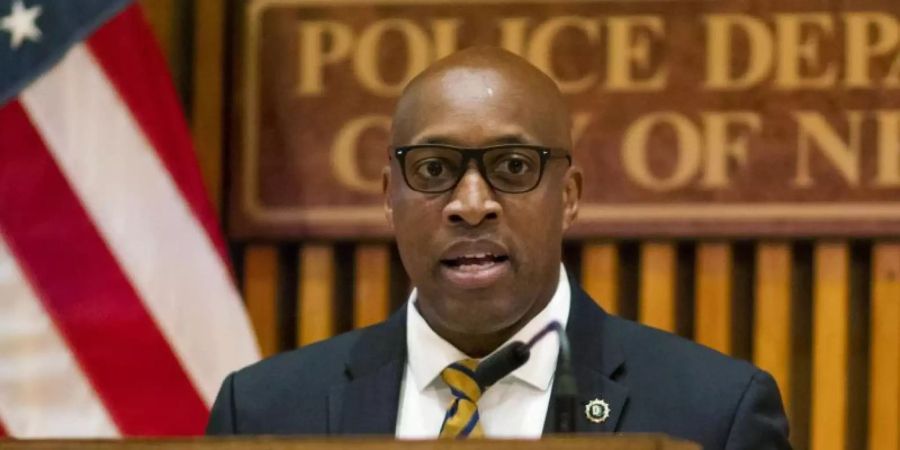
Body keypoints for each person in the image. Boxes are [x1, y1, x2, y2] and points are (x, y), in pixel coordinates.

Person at [207, 47, 790, 449]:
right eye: (434, 169)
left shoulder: (712, 416)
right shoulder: (263, 413)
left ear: (568, 196)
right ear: (389, 196)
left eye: (512, 167)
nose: (471, 203)